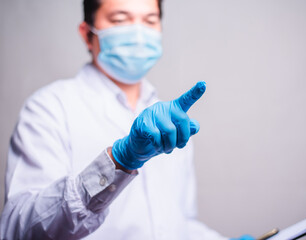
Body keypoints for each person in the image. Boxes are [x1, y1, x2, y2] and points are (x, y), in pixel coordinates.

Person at [0, 0, 254, 239]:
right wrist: (118, 161)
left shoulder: (170, 118)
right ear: (87, 33)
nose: (138, 33)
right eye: (120, 20)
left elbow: (177, 224)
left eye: (150, 20)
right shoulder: (48, 109)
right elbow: (17, 231)